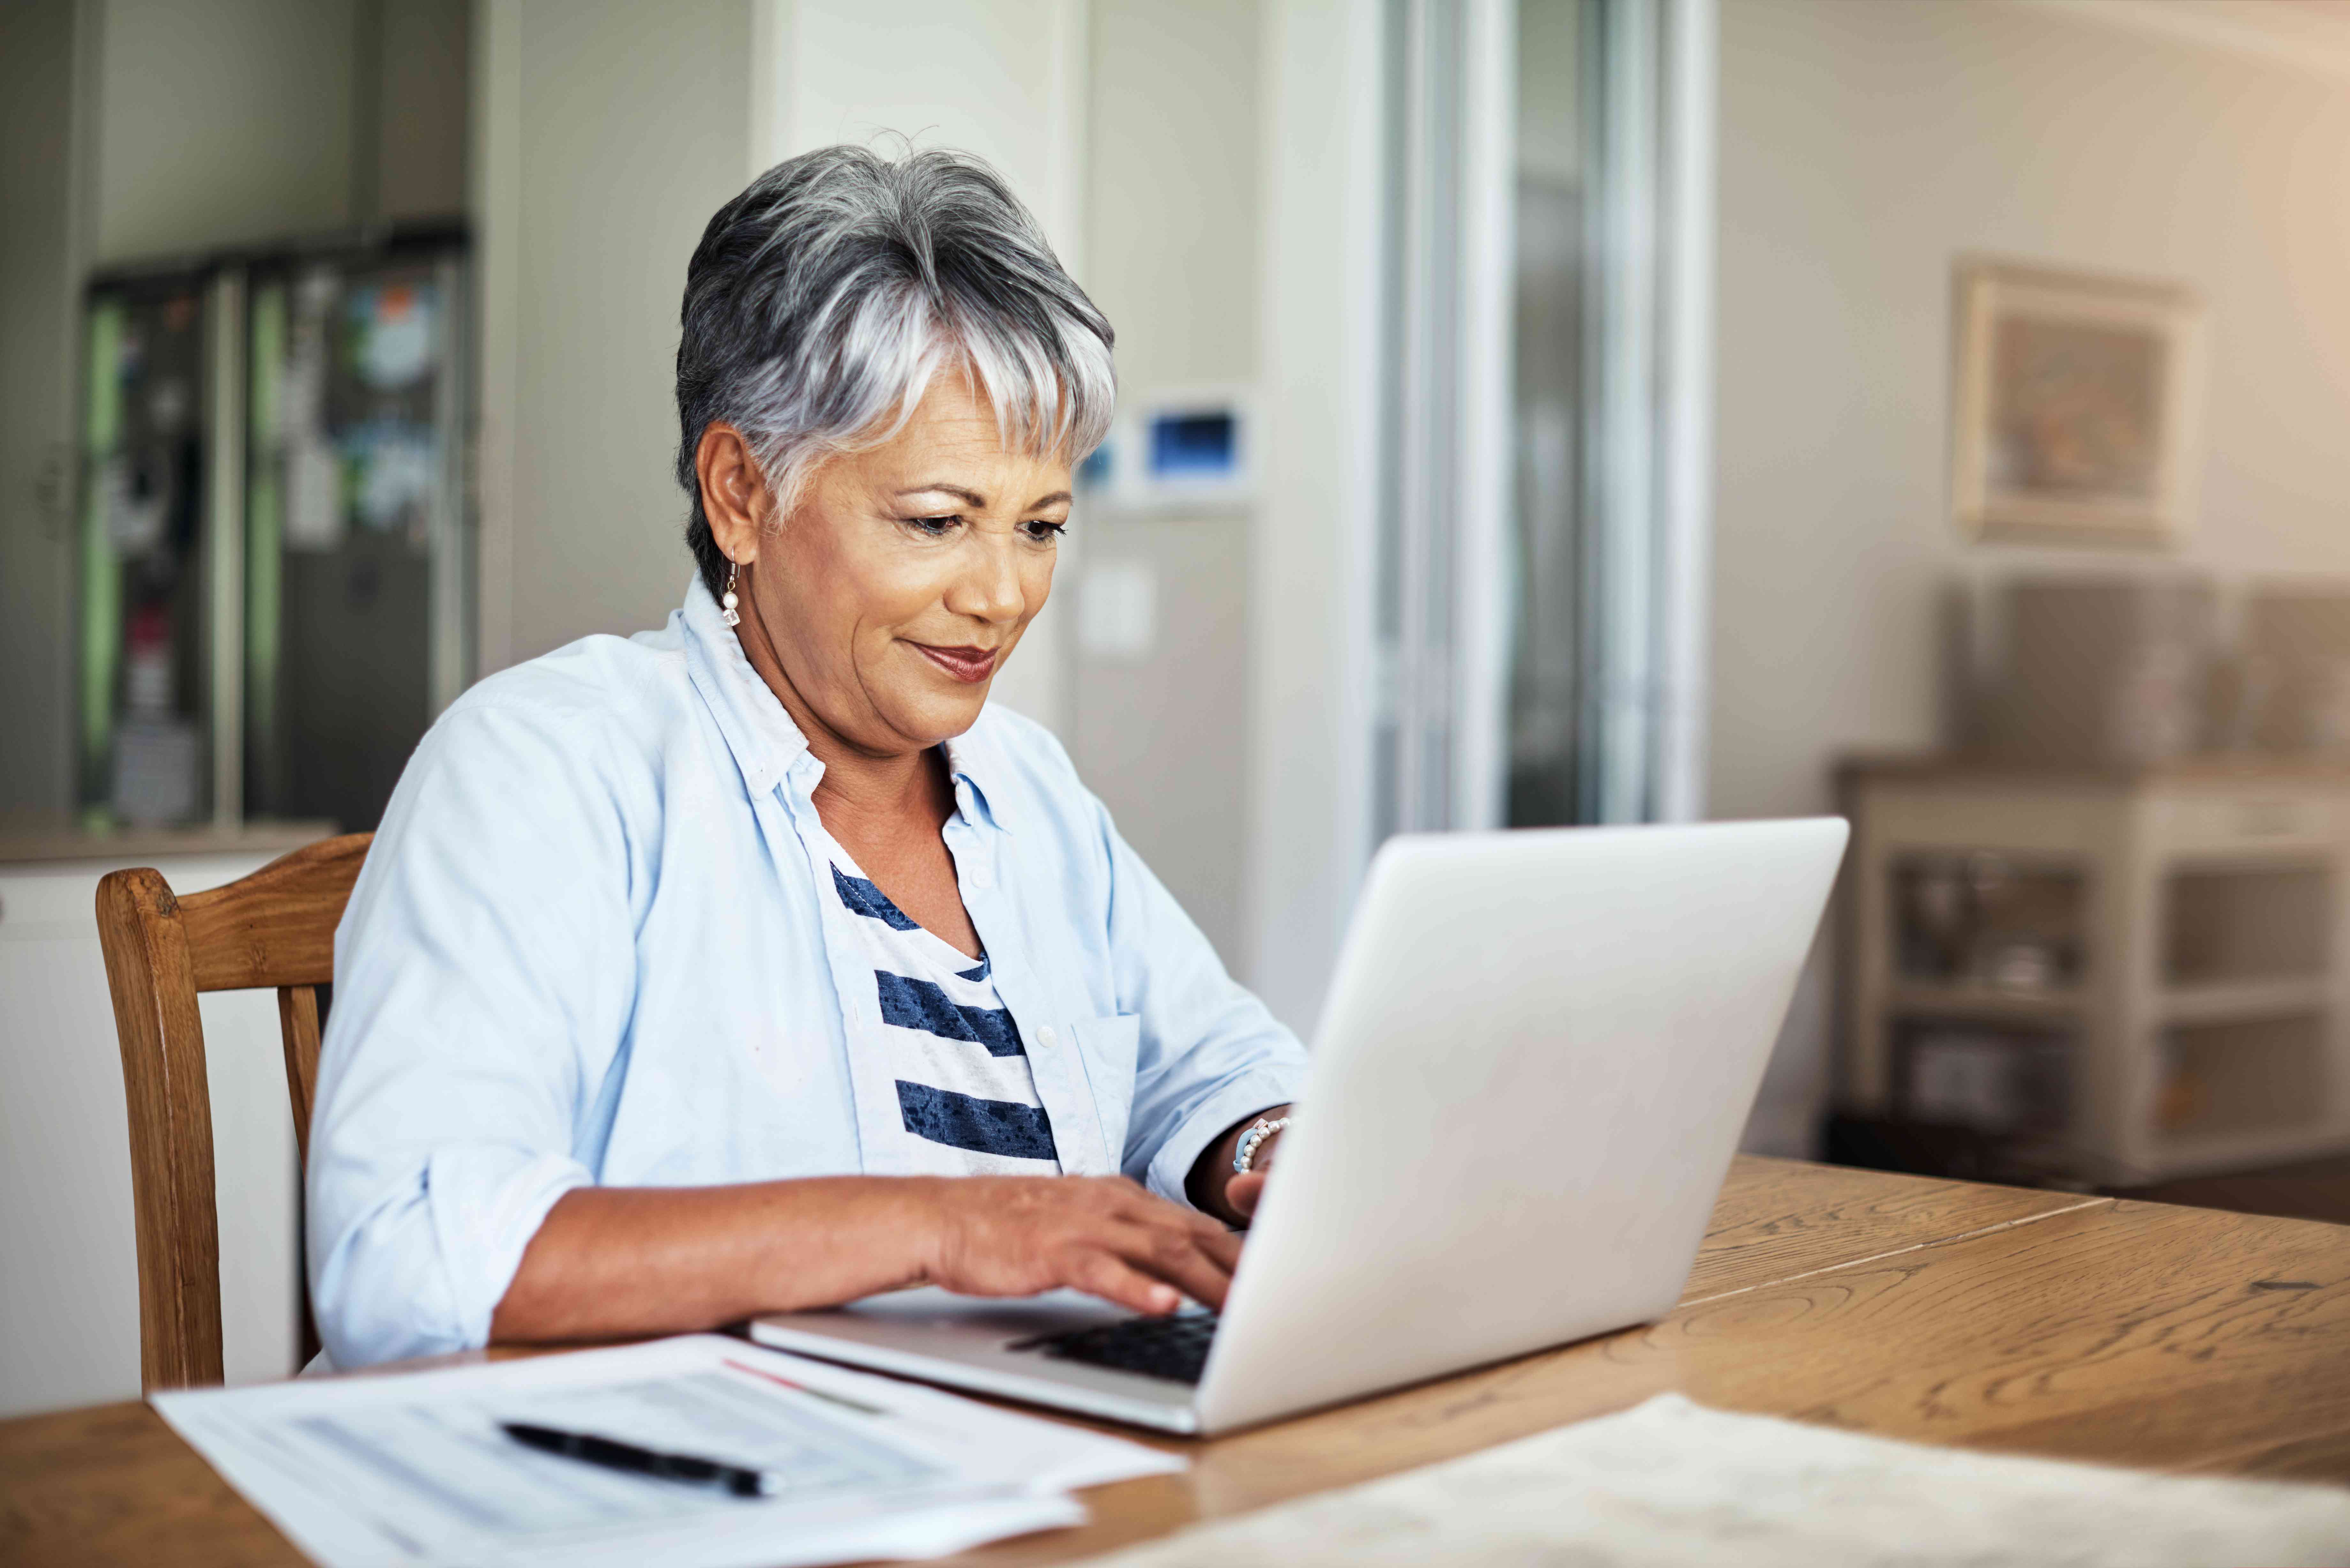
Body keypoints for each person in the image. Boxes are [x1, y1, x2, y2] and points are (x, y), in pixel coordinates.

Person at [305, 146, 1305, 1368]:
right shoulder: (547, 769)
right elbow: (405, 1254)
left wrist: (1264, 1147)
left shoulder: (1027, 790)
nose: (1002, 595)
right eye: (937, 522)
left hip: (1018, 1466)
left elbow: (1209, 1064)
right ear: (741, 492)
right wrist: (941, 1229)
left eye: (1041, 526)